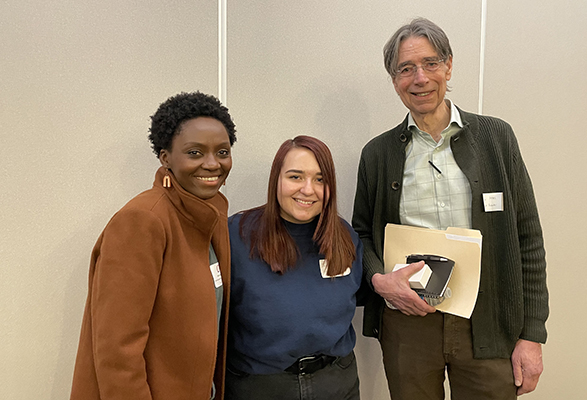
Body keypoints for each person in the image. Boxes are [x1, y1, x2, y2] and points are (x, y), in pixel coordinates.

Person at [352, 18, 549, 399]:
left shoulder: (496, 137)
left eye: (429, 63)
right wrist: (378, 279)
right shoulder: (378, 154)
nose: (419, 78)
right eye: (405, 69)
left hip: (487, 320)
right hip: (408, 322)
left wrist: (531, 334)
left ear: (449, 66)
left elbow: (528, 239)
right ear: (394, 80)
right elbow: (360, 234)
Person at [70, 92, 237, 400]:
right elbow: (117, 351)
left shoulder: (209, 214)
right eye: (195, 153)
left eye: (222, 152)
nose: (212, 164)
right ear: (165, 157)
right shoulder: (143, 221)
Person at [225, 136, 363, 400]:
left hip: (336, 383)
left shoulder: (344, 236)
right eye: (295, 177)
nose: (308, 189)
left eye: (320, 179)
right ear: (276, 179)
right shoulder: (237, 235)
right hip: (261, 385)